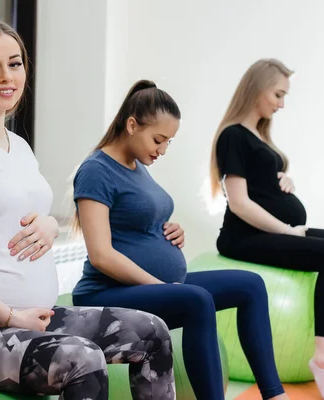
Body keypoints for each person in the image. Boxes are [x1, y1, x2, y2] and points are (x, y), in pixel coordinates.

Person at [0, 19, 176, 400]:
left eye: (15, 63)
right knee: (82, 359)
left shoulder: (18, 147)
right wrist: (9, 317)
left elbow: (24, 211)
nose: (6, 75)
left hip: (30, 314)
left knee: (152, 330)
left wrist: (51, 225)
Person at [71, 79, 288, 400]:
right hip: (107, 292)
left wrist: (168, 229)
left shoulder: (137, 165)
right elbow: (102, 254)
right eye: (159, 140)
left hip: (154, 284)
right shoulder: (96, 170)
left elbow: (135, 219)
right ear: (132, 125)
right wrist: (158, 285)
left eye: (169, 142)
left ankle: (275, 395)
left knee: (251, 285)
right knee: (198, 299)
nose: (162, 150)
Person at [209, 58, 324, 400]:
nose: (282, 103)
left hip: (278, 228)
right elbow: (240, 203)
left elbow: (262, 184)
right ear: (258, 88)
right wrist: (285, 231)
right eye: (278, 94)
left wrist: (284, 179)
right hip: (245, 237)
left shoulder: (258, 135)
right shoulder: (233, 136)